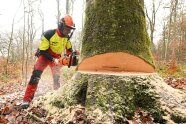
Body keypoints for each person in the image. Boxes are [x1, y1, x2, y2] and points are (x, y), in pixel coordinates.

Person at [21, 15, 76, 109]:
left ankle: (56, 96)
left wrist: (71, 57)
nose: (69, 31)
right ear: (61, 26)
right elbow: (42, 50)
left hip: (57, 57)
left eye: (70, 30)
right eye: (67, 29)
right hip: (45, 56)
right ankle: (26, 99)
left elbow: (69, 50)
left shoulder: (66, 38)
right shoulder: (49, 34)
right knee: (35, 76)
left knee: (56, 78)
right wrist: (52, 59)